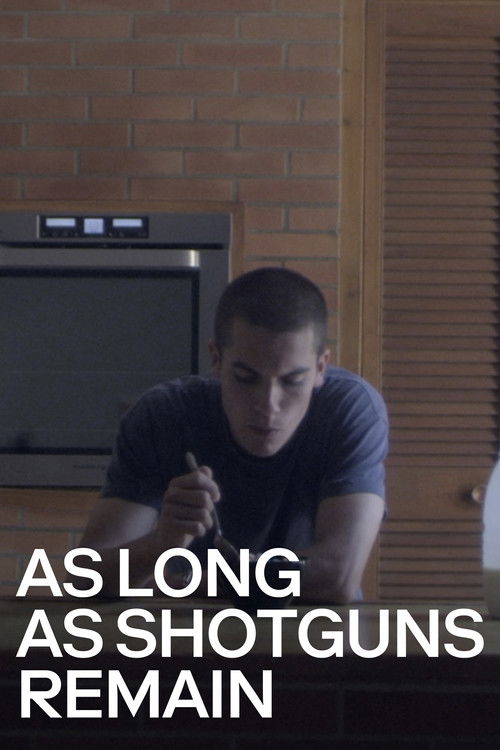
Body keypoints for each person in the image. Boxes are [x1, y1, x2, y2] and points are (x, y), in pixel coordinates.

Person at [78, 267, 388, 603]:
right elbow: (84, 579)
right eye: (245, 378)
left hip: (313, 634)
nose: (268, 406)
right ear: (216, 359)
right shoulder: (163, 416)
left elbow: (337, 576)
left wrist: (181, 580)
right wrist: (162, 544)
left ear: (321, 368)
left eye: (292, 381)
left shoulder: (350, 410)